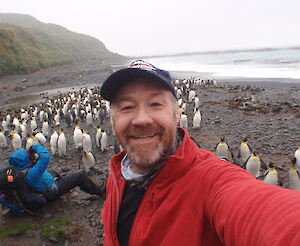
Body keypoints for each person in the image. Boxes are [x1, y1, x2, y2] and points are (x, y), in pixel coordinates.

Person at [100, 60, 300, 246]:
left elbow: (261, 213)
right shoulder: (117, 176)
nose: (141, 119)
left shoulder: (211, 181)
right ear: (112, 120)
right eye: (127, 107)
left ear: (177, 113)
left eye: (155, 104)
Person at [8, 144, 106, 211]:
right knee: (79, 176)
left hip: (43, 187)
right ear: (26, 161)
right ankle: (99, 191)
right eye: (29, 157)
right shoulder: (31, 174)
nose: (32, 157)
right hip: (52, 190)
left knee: (52, 172)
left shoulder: (20, 173)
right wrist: (34, 146)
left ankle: (65, 185)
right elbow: (45, 156)